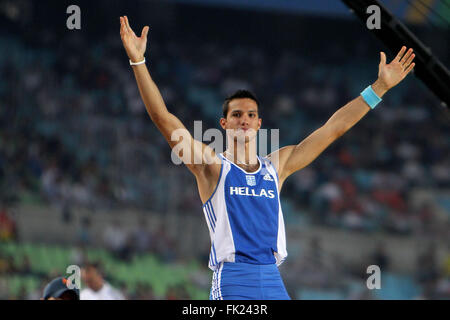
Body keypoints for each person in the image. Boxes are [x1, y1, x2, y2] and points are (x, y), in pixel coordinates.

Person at [119, 15, 415, 300]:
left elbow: (333, 129)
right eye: (236, 115)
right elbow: (163, 118)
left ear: (259, 124)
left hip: (272, 278)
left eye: (251, 115)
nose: (244, 120)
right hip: (233, 279)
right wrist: (138, 61)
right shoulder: (210, 165)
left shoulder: (278, 165)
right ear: (224, 124)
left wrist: (379, 88)